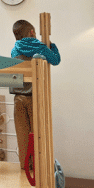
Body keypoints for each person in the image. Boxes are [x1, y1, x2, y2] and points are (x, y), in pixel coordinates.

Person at [10, 20, 61, 170]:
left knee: (22, 134)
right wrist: (52, 45)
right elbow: (56, 60)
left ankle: (26, 166)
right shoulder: (40, 48)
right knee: (38, 134)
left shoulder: (14, 50)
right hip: (35, 97)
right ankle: (40, 168)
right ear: (32, 32)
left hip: (18, 97)